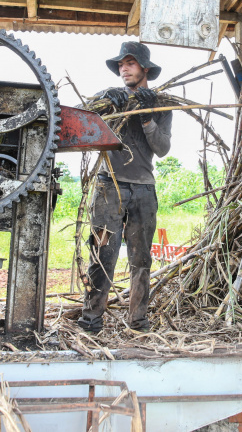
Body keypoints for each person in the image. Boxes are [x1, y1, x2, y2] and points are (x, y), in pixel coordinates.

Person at [78, 41, 172, 333]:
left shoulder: (160, 104)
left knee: (141, 259)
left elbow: (163, 148)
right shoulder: (108, 98)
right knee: (102, 254)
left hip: (144, 190)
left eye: (129, 63)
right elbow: (83, 127)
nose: (123, 69)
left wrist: (146, 119)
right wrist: (108, 113)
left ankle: (138, 321)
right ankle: (91, 321)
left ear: (144, 68)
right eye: (120, 65)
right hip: (109, 188)